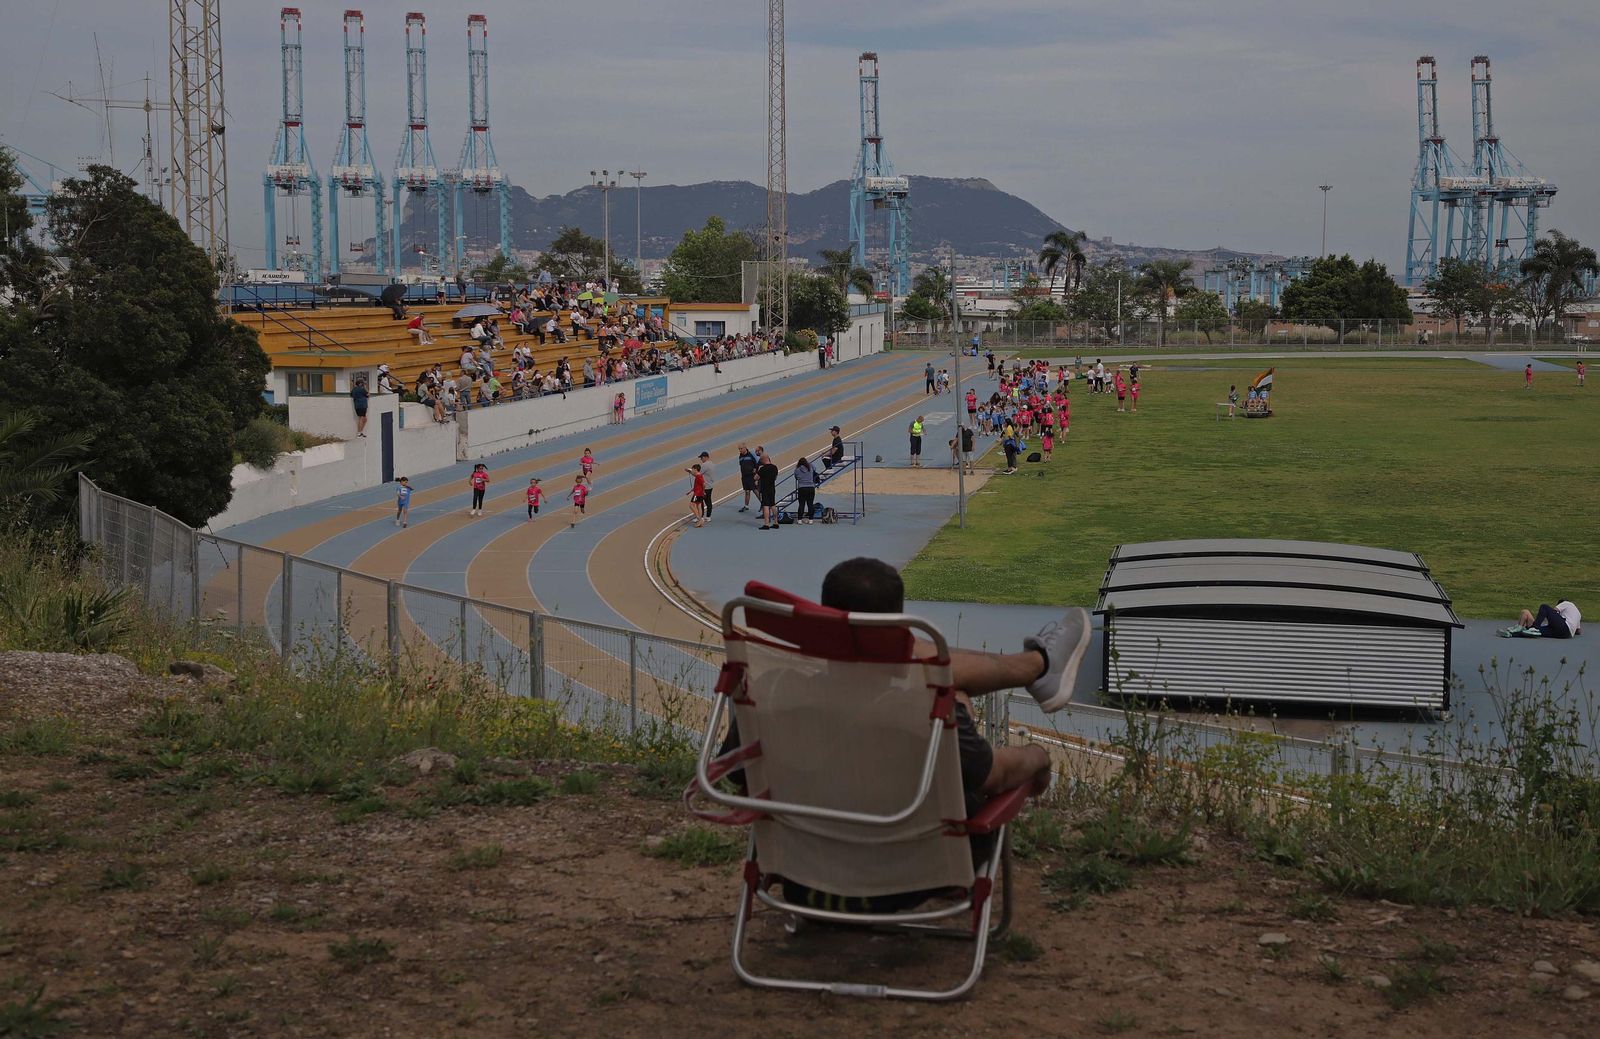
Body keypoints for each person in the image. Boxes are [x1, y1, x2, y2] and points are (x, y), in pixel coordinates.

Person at [715, 557, 1091, 890]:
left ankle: (1036, 666)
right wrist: (1038, 756)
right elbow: (996, 775)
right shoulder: (928, 715)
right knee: (964, 746)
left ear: (824, 622)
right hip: (917, 880)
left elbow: (739, 777)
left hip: (804, 875)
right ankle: (1037, 666)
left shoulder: (774, 694)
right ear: (901, 631)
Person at [1506, 600, 1582, 639]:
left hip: (1564, 627)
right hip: (1565, 635)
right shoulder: (1578, 614)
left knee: (1544, 607)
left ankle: (1534, 628)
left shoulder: (1567, 603)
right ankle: (1511, 634)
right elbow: (1578, 631)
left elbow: (1555, 610)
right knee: (1533, 633)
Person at [756, 447, 779, 530]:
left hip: (765, 489)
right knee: (773, 505)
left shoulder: (762, 469)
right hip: (772, 488)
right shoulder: (775, 467)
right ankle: (776, 522)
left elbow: (756, 478)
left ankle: (766, 524)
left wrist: (759, 470)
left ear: (763, 460)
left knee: (765, 506)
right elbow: (775, 477)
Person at [793, 455, 817, 523]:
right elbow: (815, 468)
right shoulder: (810, 468)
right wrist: (809, 463)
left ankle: (799, 519)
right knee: (810, 504)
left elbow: (796, 477)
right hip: (811, 487)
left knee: (801, 504)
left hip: (802, 488)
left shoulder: (797, 470)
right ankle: (811, 519)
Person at [737, 444, 759, 512]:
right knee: (747, 491)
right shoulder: (740, 456)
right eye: (739, 449)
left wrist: (756, 471)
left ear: (745, 448)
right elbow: (741, 465)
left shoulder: (751, 455)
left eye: (741, 448)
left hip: (752, 476)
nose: (740, 450)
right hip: (744, 477)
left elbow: (757, 463)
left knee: (756, 491)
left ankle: (764, 505)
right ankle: (746, 506)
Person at [687, 463, 707, 527]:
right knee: (698, 506)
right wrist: (690, 491)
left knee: (691, 505)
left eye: (692, 469)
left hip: (697, 494)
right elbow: (697, 485)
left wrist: (703, 491)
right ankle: (700, 520)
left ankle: (699, 519)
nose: (692, 471)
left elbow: (704, 484)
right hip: (699, 493)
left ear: (695, 469)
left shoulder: (698, 476)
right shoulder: (698, 475)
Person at [697, 451, 716, 521]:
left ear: (705, 457)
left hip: (705, 486)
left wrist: (691, 471)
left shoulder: (705, 465)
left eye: (701, 458)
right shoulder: (712, 464)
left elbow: (698, 474)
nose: (701, 459)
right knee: (708, 501)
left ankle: (701, 517)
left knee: (700, 501)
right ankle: (708, 516)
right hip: (710, 485)